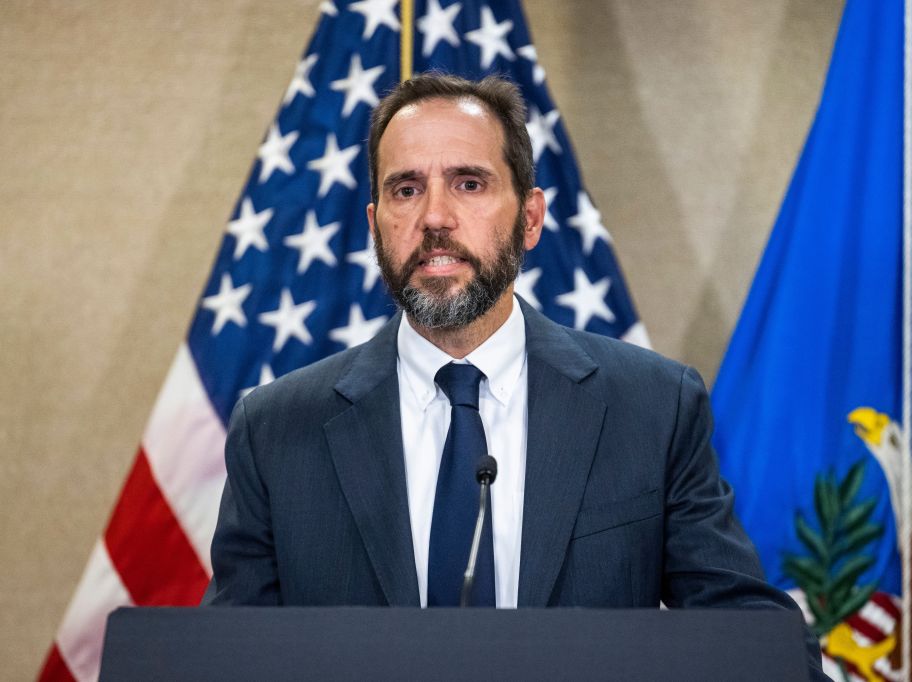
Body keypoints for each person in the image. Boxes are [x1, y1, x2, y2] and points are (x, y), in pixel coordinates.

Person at [204, 73, 824, 675]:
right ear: (375, 225)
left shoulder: (653, 407)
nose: (435, 217)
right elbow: (229, 661)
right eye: (406, 189)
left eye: (469, 184)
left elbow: (748, 638)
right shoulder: (277, 430)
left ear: (530, 219)